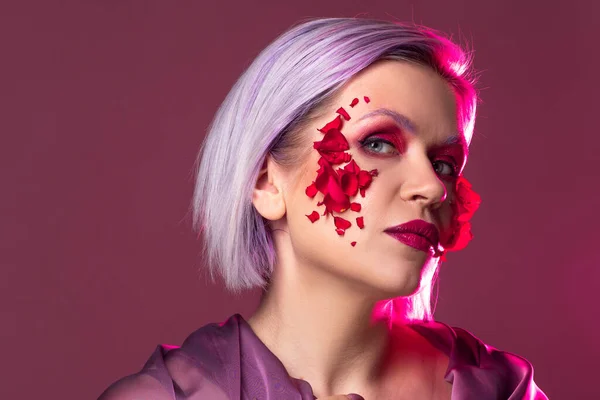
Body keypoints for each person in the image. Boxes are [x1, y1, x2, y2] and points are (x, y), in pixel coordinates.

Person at [98, 17, 547, 399]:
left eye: (445, 163)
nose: (433, 187)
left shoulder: (496, 389)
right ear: (266, 182)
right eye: (378, 143)